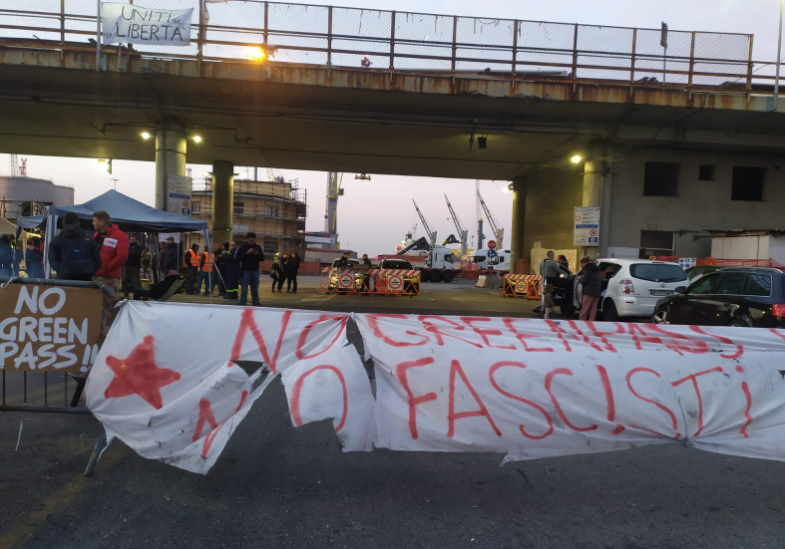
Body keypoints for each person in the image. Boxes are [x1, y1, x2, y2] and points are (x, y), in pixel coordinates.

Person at [93, 210, 129, 340]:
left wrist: (107, 267)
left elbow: (122, 256)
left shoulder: (119, 235)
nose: (93, 223)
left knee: (105, 307)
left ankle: (104, 336)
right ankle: (98, 333)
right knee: (97, 307)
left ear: (102, 222)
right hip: (96, 276)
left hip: (108, 278)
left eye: (95, 220)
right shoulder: (96, 235)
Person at [49, 211, 102, 281]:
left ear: (63, 223)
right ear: (78, 223)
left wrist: (62, 271)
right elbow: (98, 261)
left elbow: (52, 260)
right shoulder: (90, 240)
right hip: (86, 280)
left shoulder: (56, 240)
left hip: (63, 281)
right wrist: (90, 272)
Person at [236, 232, 264, 306]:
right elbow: (238, 257)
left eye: (253, 241)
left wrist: (256, 254)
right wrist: (247, 253)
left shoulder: (257, 247)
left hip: (255, 271)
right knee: (244, 290)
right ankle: (243, 304)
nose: (251, 242)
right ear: (247, 239)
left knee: (254, 289)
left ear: (255, 240)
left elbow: (262, 258)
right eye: (250, 241)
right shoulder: (242, 247)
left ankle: (255, 304)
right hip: (246, 271)